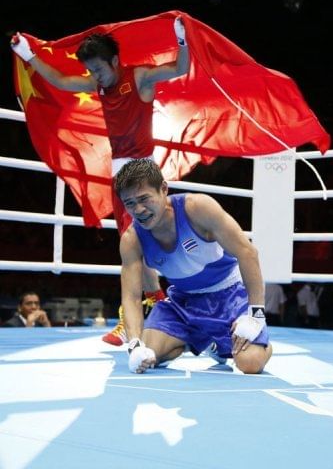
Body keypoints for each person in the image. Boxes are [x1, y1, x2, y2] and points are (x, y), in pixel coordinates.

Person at [11, 18, 190, 345]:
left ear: (114, 61)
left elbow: (180, 67)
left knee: (147, 245)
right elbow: (61, 81)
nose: (95, 76)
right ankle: (154, 308)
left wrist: (182, 38)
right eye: (90, 71)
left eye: (98, 69)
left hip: (144, 174)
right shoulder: (99, 85)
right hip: (121, 175)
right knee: (131, 246)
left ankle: (162, 308)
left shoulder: (139, 77)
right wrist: (28, 55)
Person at [115, 158, 272, 374]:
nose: (139, 209)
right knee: (147, 354)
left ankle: (245, 342)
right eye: (130, 203)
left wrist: (255, 315)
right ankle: (203, 341)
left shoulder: (197, 208)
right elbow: (131, 297)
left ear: (163, 189)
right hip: (184, 302)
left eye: (144, 199)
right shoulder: (132, 239)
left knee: (251, 363)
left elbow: (247, 252)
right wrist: (133, 345)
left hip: (230, 295)